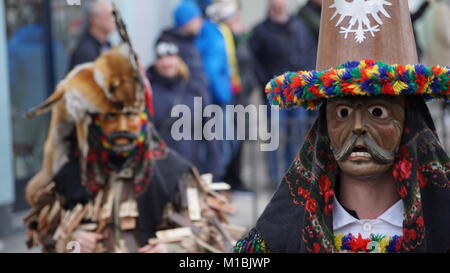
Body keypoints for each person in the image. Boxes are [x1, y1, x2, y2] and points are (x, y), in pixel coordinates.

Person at [234, 0, 450, 253]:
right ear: (325, 128)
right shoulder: (279, 239)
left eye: (377, 112)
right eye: (343, 112)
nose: (358, 127)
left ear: (410, 123)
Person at [23, 44, 235, 253]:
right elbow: (44, 234)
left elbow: (207, 233)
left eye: (131, 115)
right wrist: (72, 241)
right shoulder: (72, 175)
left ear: (144, 119)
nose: (122, 127)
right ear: (96, 122)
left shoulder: (175, 172)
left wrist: (171, 248)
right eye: (112, 117)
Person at [250, 0, 317, 185]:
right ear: (270, 9)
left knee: (295, 134)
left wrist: (306, 82)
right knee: (274, 136)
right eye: (276, 8)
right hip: (275, 93)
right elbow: (254, 62)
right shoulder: (260, 31)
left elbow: (310, 53)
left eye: (281, 7)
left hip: (297, 92)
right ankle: (273, 177)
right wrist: (266, 83)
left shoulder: (299, 26)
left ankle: (291, 174)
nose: (279, 10)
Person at [147, 38, 223, 180]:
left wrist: (214, 167)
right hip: (156, 172)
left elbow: (210, 131)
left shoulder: (194, 89)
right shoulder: (147, 90)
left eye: (170, 57)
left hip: (188, 169)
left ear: (179, 60)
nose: (166, 63)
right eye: (161, 58)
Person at [68, 0, 115, 70]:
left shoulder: (106, 44)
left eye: (114, 15)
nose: (113, 20)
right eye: (108, 16)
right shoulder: (85, 52)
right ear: (94, 20)